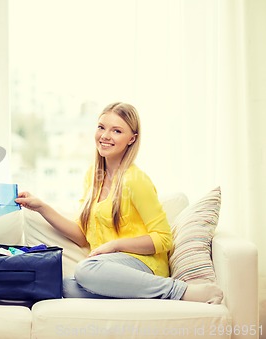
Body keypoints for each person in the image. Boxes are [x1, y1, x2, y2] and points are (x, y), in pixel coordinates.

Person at [15, 102, 223, 304]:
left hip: (143, 264)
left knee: (85, 270)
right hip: (109, 268)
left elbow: (163, 239)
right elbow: (81, 236)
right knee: (63, 286)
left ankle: (178, 290)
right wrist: (41, 207)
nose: (105, 136)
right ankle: (140, 292)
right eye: (101, 127)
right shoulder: (93, 177)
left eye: (116, 131)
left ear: (131, 139)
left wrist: (115, 245)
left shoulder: (135, 180)